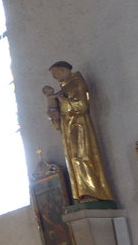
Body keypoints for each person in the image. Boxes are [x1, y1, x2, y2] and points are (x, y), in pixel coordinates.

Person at [45, 62, 115, 202]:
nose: (54, 77)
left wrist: (62, 99)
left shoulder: (77, 83)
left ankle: (93, 192)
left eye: (55, 74)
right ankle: (82, 193)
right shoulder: (63, 87)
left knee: (83, 156)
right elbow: (59, 114)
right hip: (68, 127)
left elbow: (82, 106)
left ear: (63, 70)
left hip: (79, 125)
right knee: (73, 159)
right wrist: (53, 111)